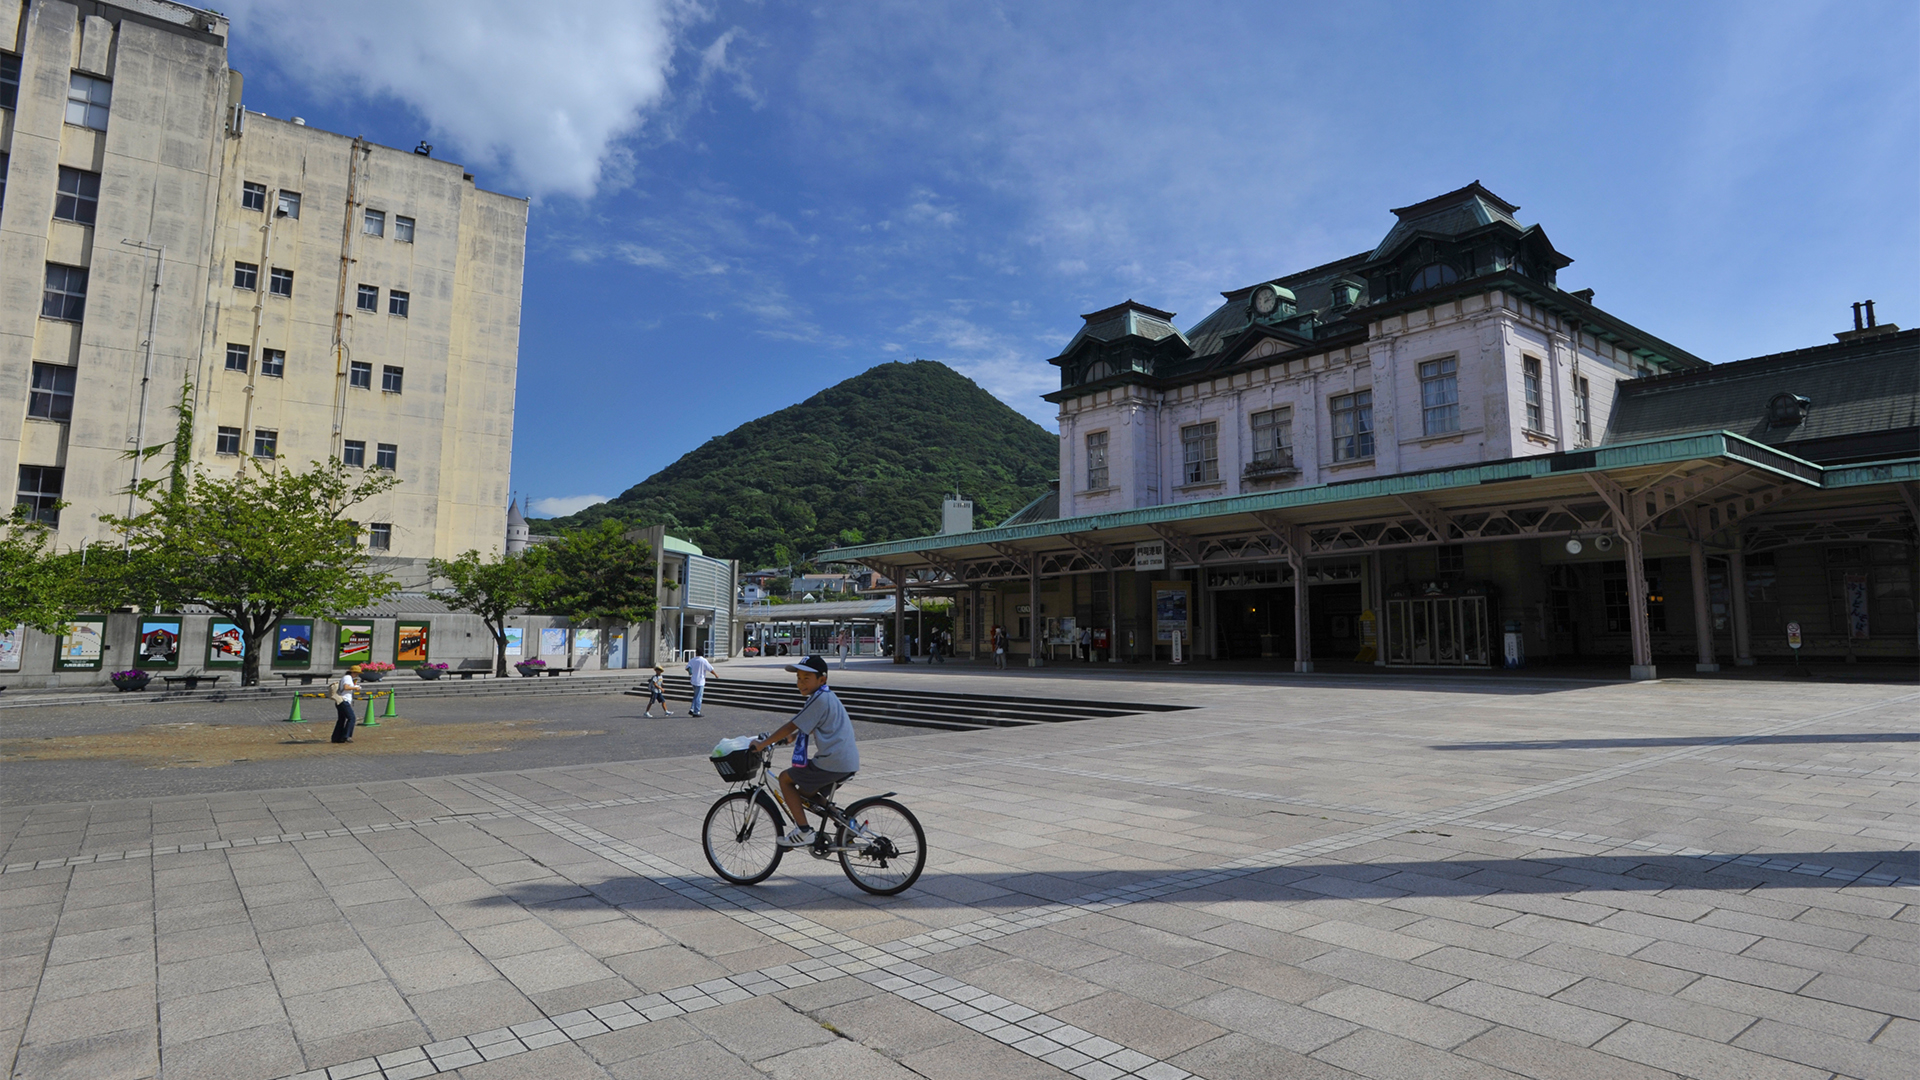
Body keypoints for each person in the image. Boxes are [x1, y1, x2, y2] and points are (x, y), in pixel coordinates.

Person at [750, 655, 860, 848]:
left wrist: (762, 744)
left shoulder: (820, 699)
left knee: (785, 779)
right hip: (844, 761)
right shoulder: (825, 696)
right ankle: (848, 823)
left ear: (822, 679)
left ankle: (803, 831)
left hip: (833, 761)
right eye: (798, 678)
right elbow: (804, 727)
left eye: (806, 679)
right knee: (806, 793)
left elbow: (791, 725)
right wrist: (787, 739)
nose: (801, 683)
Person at [330, 665, 361, 743]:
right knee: (352, 718)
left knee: (341, 719)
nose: (358, 675)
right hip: (344, 701)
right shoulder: (347, 678)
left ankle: (336, 737)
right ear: (353, 672)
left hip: (341, 701)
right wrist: (355, 688)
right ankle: (346, 736)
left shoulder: (347, 678)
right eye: (357, 673)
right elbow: (346, 687)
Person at [686, 650, 715, 717]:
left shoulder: (692, 660)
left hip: (693, 680)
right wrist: (716, 675)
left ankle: (692, 709)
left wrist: (691, 671)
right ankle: (696, 711)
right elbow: (710, 669)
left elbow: (687, 668)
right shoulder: (703, 660)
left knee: (696, 695)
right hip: (700, 680)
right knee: (699, 696)